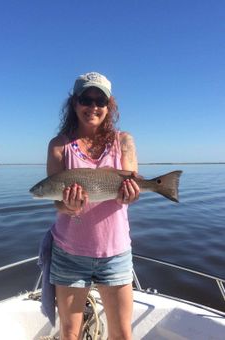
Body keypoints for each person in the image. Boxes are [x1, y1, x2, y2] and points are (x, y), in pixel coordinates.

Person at [46, 72, 140, 340]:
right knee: (69, 333)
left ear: (109, 105)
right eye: (86, 99)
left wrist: (130, 194)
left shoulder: (124, 141)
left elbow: (129, 182)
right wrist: (68, 206)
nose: (93, 107)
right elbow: (56, 201)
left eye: (101, 100)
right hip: (69, 252)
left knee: (122, 334)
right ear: (74, 103)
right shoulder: (59, 146)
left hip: (115, 252)